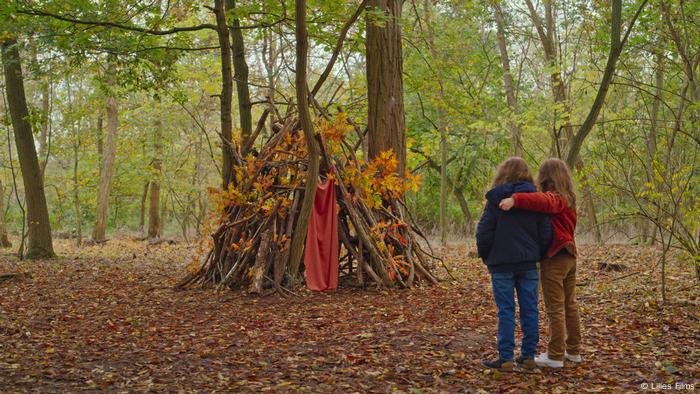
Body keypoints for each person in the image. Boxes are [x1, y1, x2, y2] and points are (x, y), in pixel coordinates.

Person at [499, 158, 582, 368]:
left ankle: (555, 355)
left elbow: (544, 201)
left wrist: (515, 199)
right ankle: (573, 351)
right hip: (570, 256)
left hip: (556, 257)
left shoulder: (556, 198)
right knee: (569, 305)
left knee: (556, 308)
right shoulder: (569, 198)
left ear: (546, 177)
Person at [476, 157, 552, 372]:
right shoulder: (536, 200)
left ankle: (506, 358)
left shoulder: (495, 200)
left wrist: (487, 256)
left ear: (503, 173)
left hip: (501, 264)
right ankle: (528, 356)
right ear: (527, 175)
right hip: (528, 264)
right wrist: (539, 254)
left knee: (506, 310)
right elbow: (546, 232)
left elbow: (483, 232)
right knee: (530, 309)